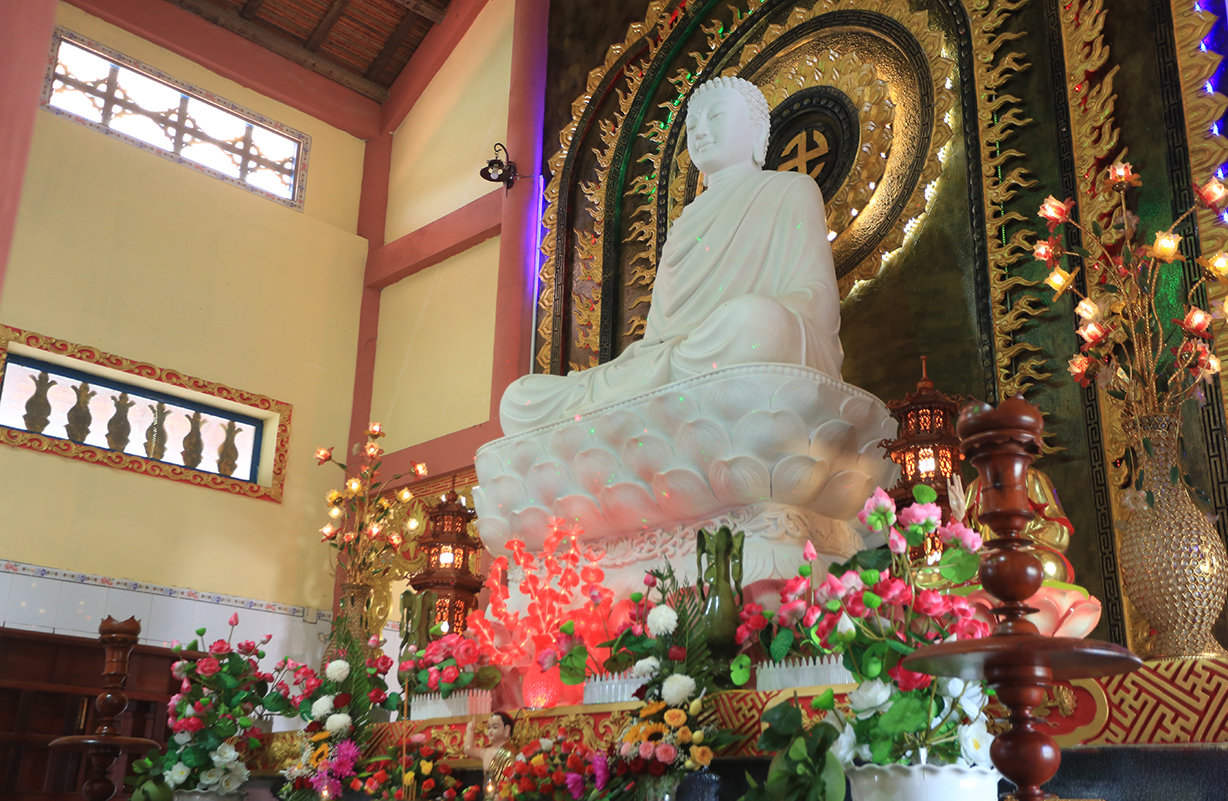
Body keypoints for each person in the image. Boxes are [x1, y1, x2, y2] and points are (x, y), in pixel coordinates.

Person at [500, 76, 843, 435]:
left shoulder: (790, 189)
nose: (700, 132)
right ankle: (645, 401)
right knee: (520, 400)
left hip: (738, 345)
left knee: (751, 323)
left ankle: (641, 406)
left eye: (716, 116)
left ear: (757, 131)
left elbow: (818, 301)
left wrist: (748, 319)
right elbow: (657, 343)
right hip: (675, 365)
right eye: (692, 125)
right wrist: (650, 365)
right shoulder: (684, 224)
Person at [464, 711, 515, 797]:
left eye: (495, 727)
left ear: (507, 729)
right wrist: (470, 730)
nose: (490, 730)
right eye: (489, 727)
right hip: (488, 794)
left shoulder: (510, 753)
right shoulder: (486, 752)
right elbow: (468, 750)